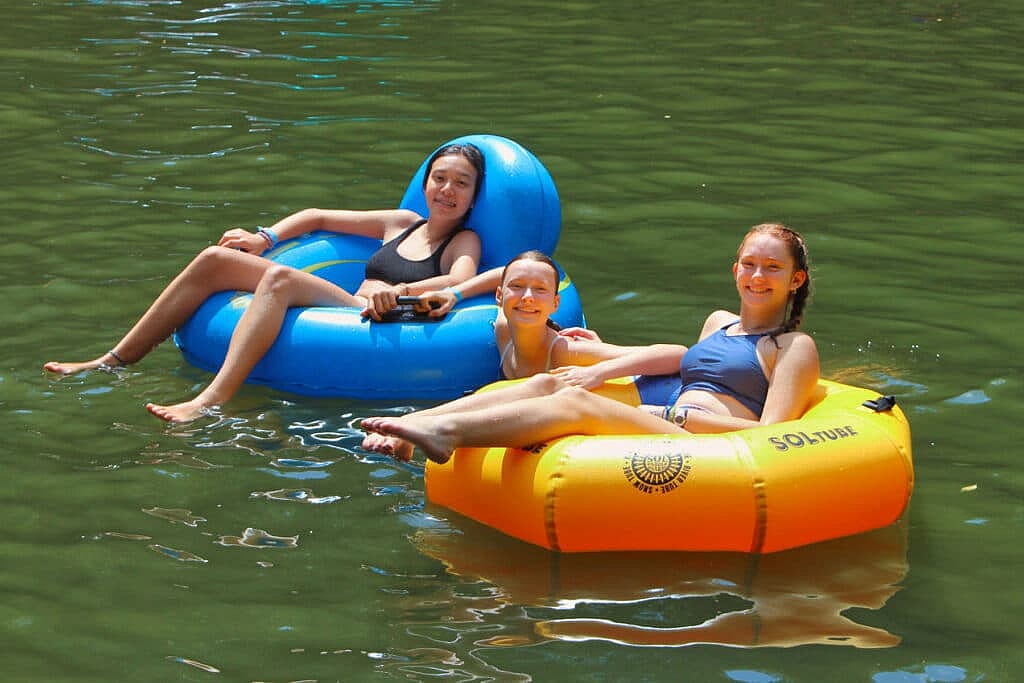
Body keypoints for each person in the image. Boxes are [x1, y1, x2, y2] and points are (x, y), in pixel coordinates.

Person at [45, 142, 486, 423]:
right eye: (439, 178)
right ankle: (112, 361)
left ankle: (211, 399)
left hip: (377, 320)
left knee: (278, 278)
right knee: (214, 259)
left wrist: (403, 291)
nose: (446, 190)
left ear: (473, 196)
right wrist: (264, 237)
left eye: (460, 184)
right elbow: (317, 216)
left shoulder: (463, 238)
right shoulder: (401, 222)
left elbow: (460, 279)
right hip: (347, 303)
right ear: (425, 183)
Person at [361, 223, 819, 465]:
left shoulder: (792, 346)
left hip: (704, 445)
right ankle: (413, 424)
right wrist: (608, 351)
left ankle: (447, 435)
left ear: (795, 279)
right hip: (663, 420)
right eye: (749, 264)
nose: (757, 276)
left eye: (772, 268)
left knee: (578, 399)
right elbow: (684, 372)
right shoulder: (718, 323)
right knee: (547, 385)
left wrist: (682, 416)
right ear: (735, 270)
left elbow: (775, 439)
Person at [362, 250, 655, 461]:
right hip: (542, 400)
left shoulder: (567, 351)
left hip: (632, 407)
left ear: (555, 303)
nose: (527, 296)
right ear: (500, 297)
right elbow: (505, 271)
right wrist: (456, 294)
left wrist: (598, 372)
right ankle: (412, 424)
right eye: (516, 288)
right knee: (535, 387)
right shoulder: (504, 330)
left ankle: (422, 427)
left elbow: (674, 354)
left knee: (541, 386)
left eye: (539, 290)